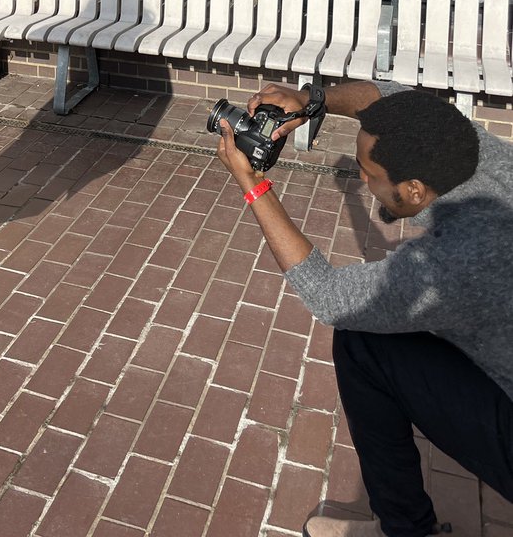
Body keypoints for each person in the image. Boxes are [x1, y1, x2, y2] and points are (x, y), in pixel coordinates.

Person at [216, 78, 513, 537]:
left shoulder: (457, 261)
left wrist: (253, 184)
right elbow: (391, 99)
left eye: (367, 172)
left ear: (413, 189)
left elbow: (331, 297)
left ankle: (405, 531)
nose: (362, 179)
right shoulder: (481, 155)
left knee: (361, 340)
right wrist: (311, 101)